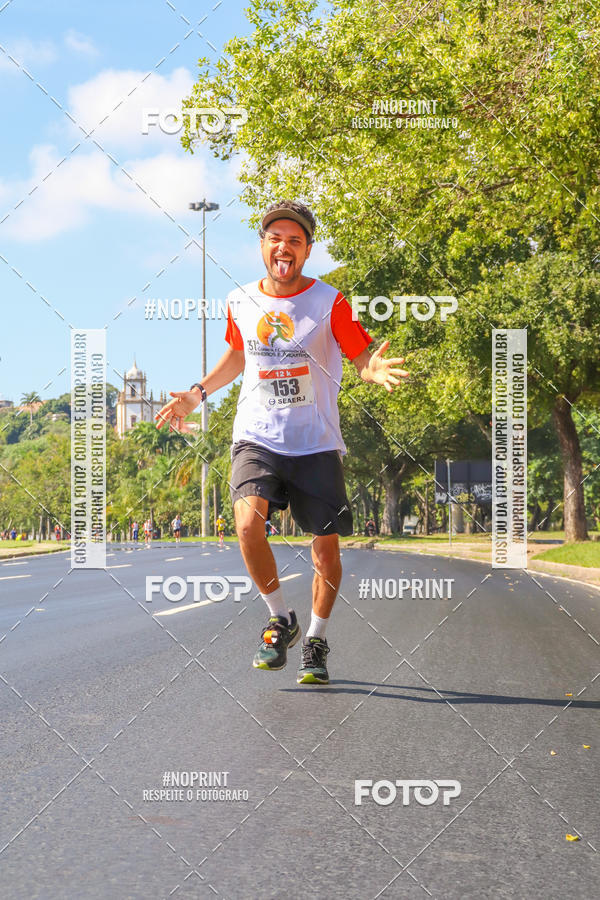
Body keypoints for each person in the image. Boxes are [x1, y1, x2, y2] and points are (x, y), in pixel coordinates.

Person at [155, 199, 408, 684]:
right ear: (263, 246)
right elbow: (236, 356)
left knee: (325, 551)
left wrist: (369, 368)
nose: (284, 247)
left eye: (295, 240)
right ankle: (280, 617)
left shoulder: (329, 301)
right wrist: (197, 394)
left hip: (315, 442)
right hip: (257, 435)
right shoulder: (240, 301)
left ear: (307, 250)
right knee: (248, 524)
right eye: (276, 239)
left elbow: (358, 353)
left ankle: (315, 639)